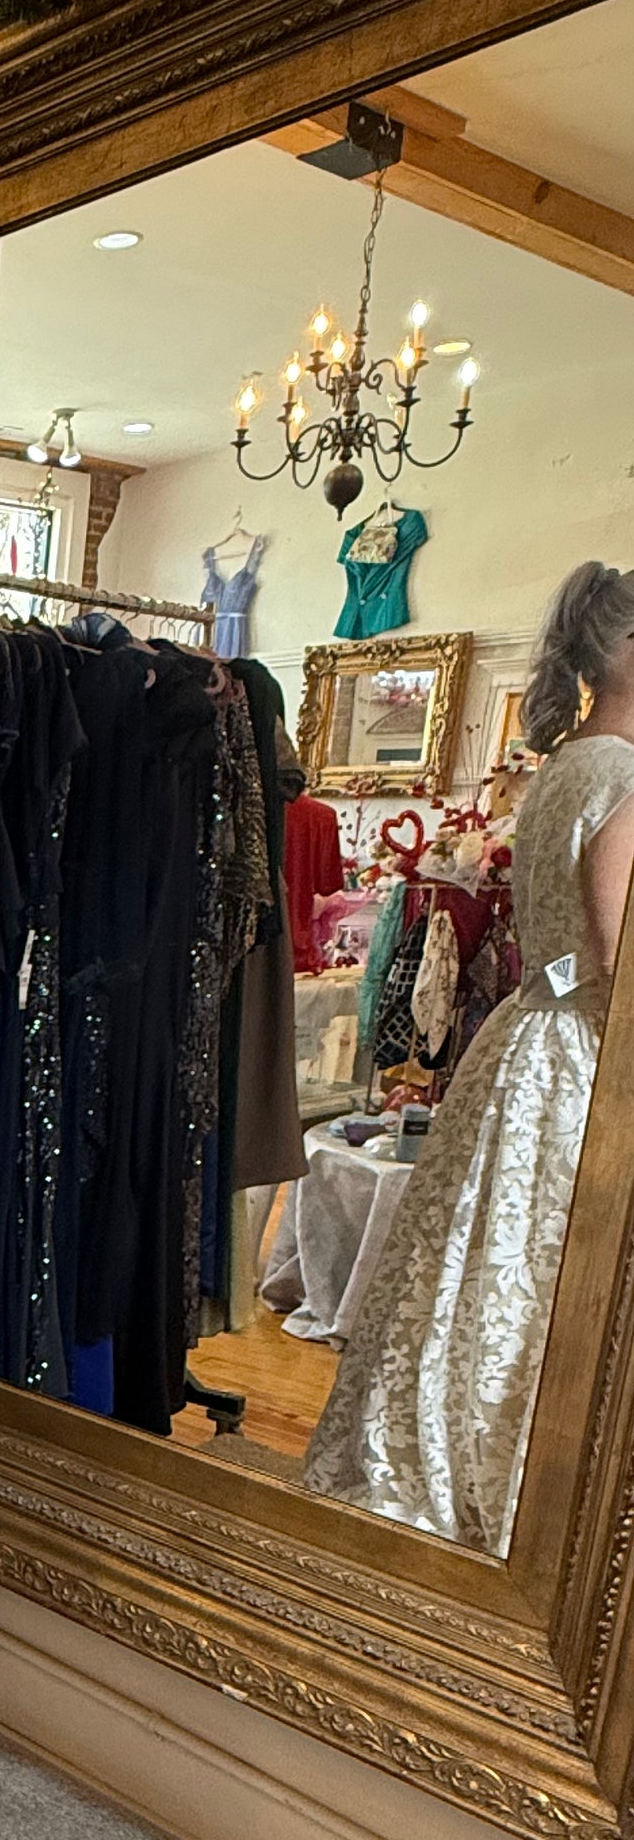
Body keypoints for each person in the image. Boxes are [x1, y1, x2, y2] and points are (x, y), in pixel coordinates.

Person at [305, 561, 634, 1551]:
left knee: (481, 1271)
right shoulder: (618, 770)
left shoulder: (566, 765)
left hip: (528, 1042)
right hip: (581, 1051)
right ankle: (505, 1486)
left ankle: (440, 1462)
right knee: (529, 1276)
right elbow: (614, 953)